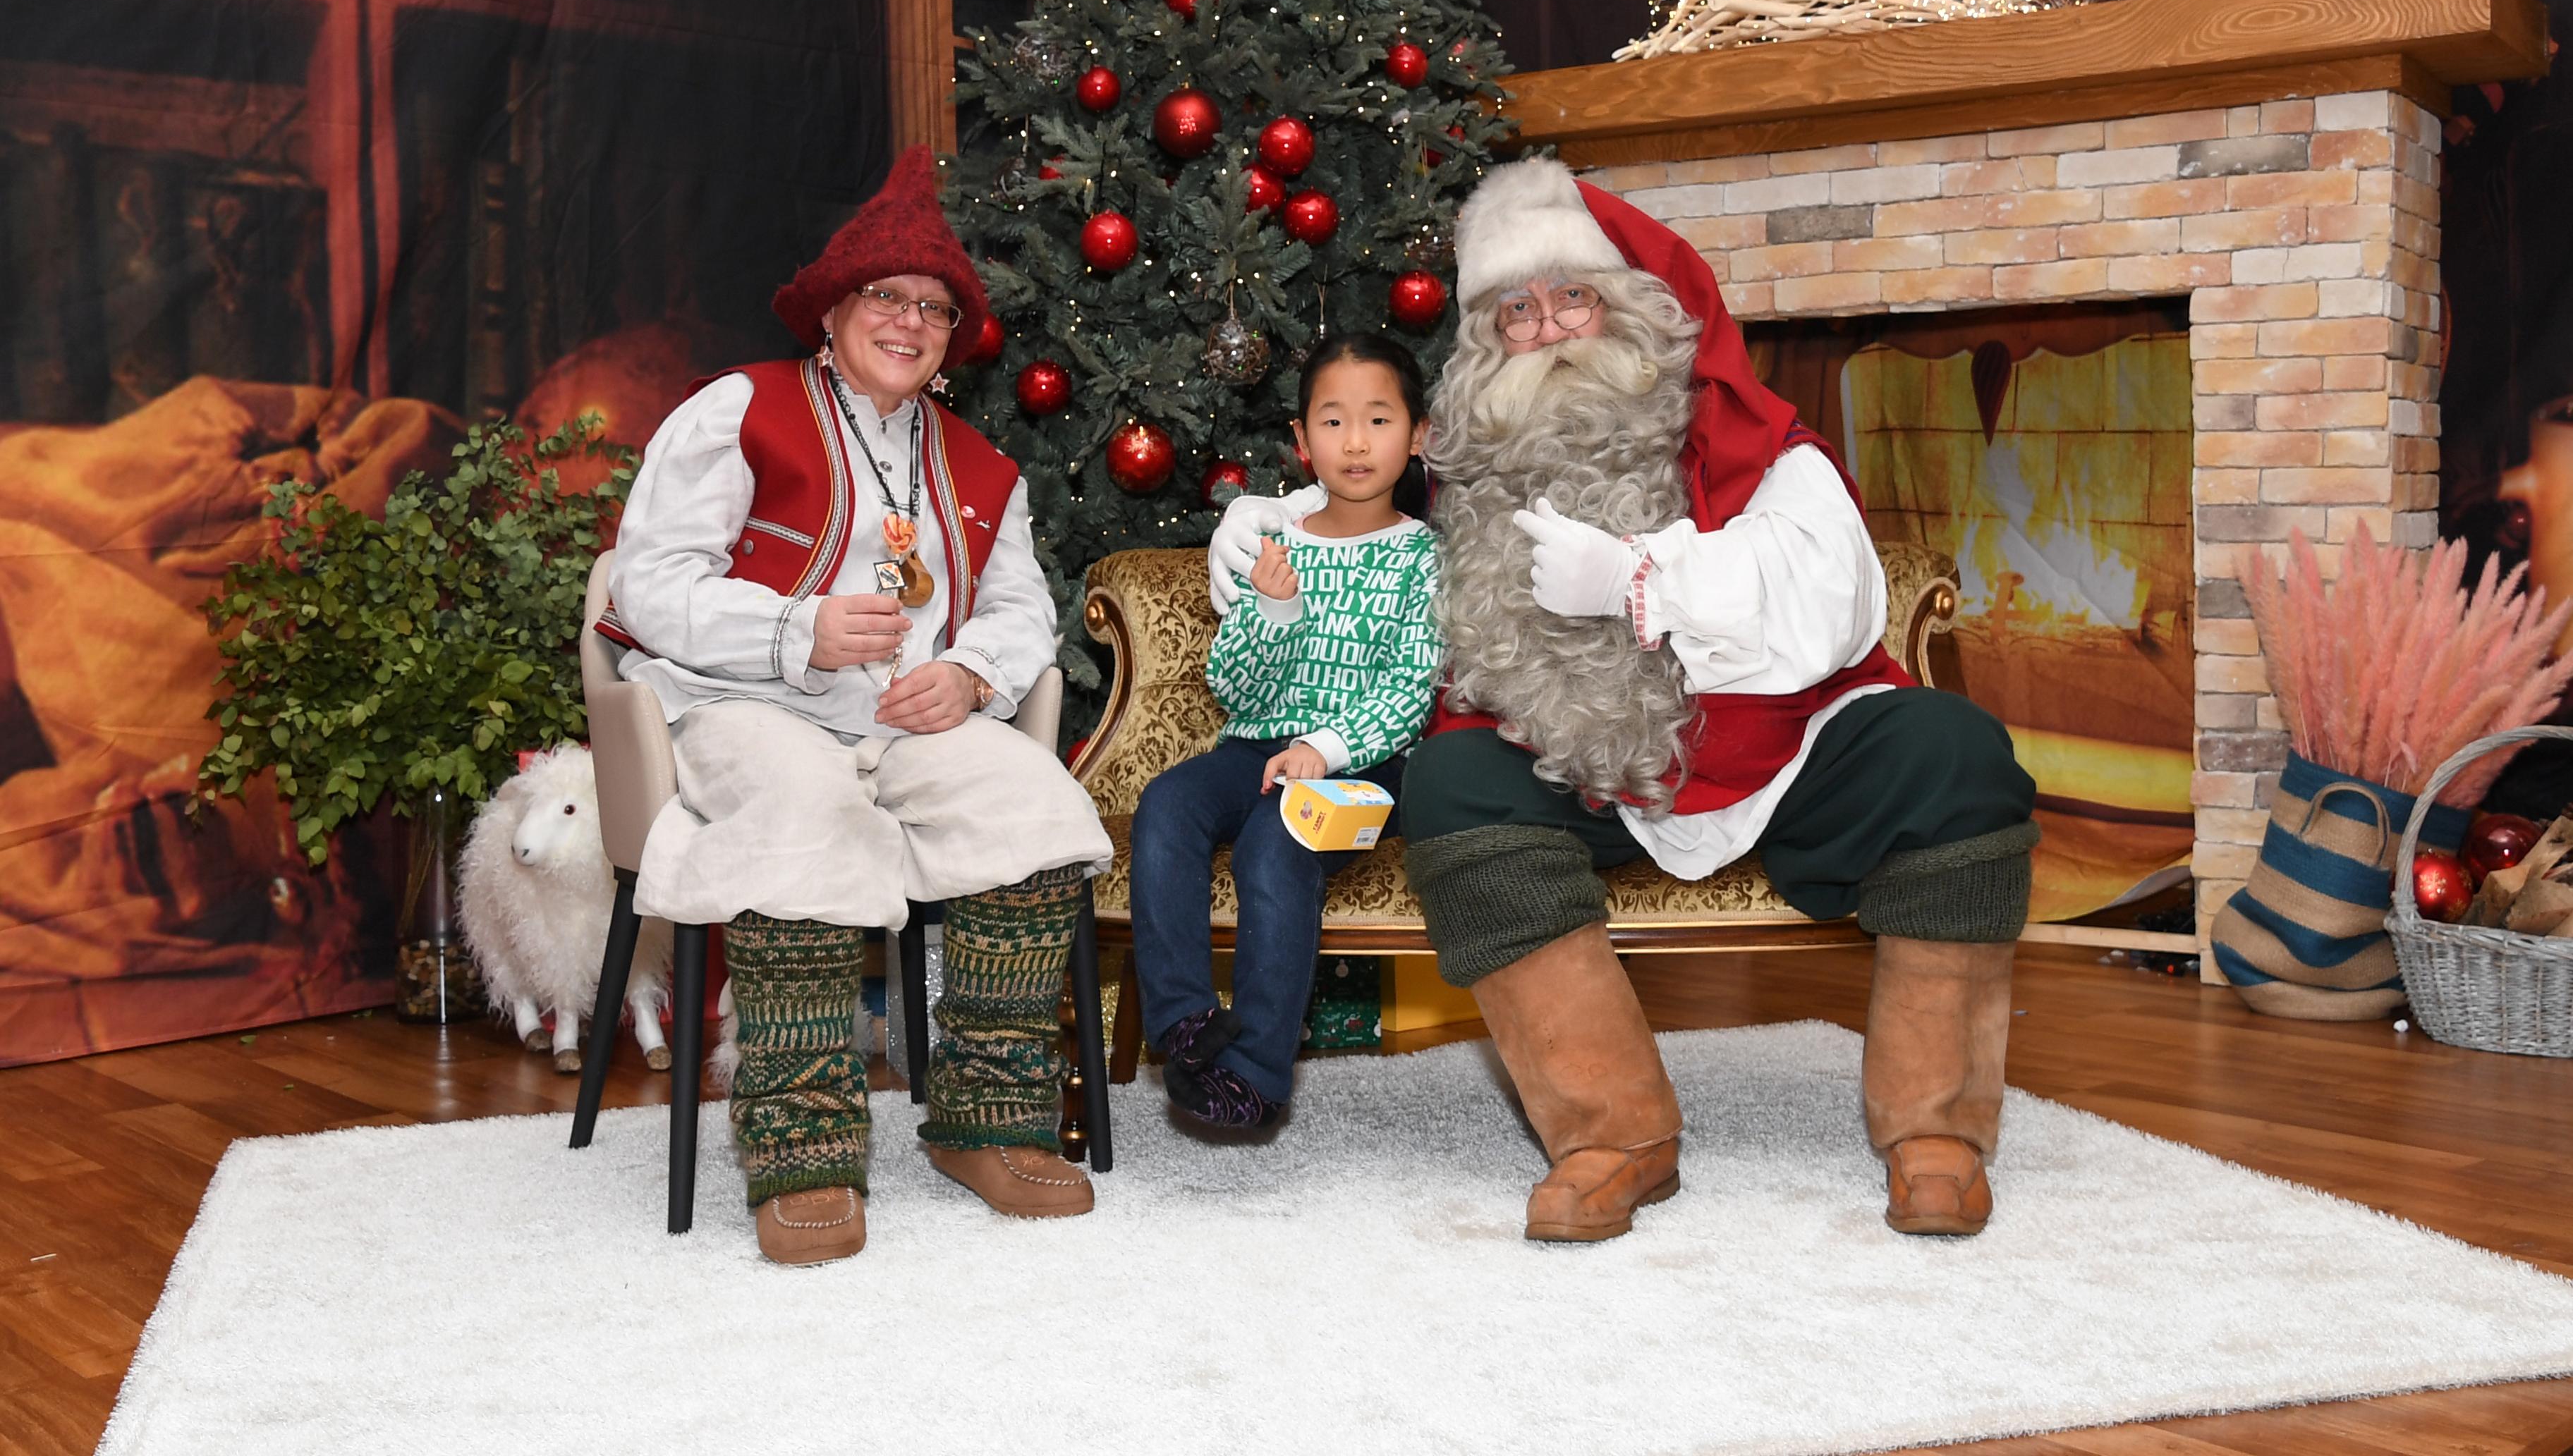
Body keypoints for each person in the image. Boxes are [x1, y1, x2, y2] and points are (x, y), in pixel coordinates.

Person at [1211, 159, 2038, 1243]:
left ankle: (1936, 1132)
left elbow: (1832, 607)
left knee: (1957, 753)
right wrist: (1257, 526)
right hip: (1575, 764)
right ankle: (1612, 1134)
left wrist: (1641, 580)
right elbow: (1352, 491)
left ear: (1636, 311)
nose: (1547, 329)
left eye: (1574, 297)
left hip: (1775, 757)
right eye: (1517, 310)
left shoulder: (1756, 443)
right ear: (1484, 343)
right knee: (1458, 780)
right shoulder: (1471, 466)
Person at [601, 147, 1112, 1266]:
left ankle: (987, 1123)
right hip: (744, 707)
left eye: (933, 308)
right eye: (886, 295)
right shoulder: (739, 409)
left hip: (908, 722)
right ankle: (803, 1151)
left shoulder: (984, 469)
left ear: (950, 344)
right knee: (801, 809)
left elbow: (1025, 611)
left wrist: (974, 674)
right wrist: (796, 630)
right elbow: (649, 582)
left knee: (1033, 805)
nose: (910, 320)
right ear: (832, 312)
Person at [1129, 334, 1441, 1129]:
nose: (1357, 441)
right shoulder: (1276, 548)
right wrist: (1272, 610)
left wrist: (1323, 752)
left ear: (1419, 435)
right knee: (1168, 803)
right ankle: (1185, 1019)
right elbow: (1232, 684)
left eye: (1378, 419)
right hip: (1255, 746)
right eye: (1333, 422)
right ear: (1303, 443)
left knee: (1280, 835)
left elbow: (1407, 694)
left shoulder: (1423, 560)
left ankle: (1259, 1068)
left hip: (1364, 767)